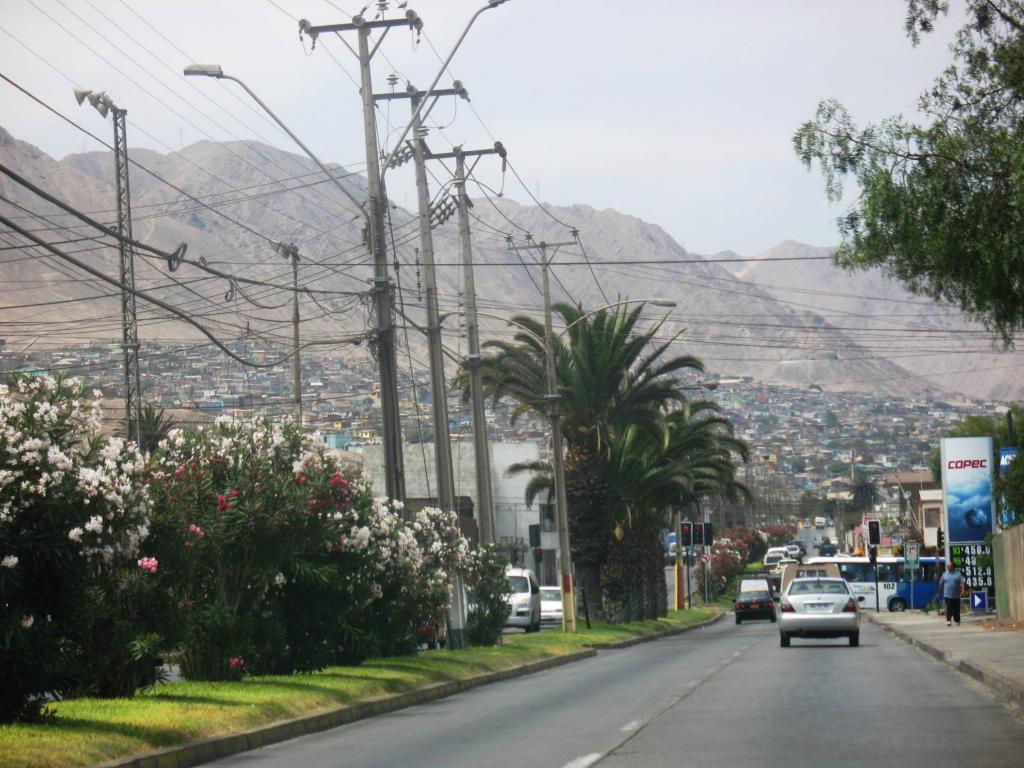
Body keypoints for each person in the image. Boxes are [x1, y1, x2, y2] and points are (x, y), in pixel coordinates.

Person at [936, 561, 964, 626]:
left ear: (953, 567)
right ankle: (948, 620)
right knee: (948, 608)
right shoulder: (944, 574)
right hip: (947, 595)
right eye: (947, 566)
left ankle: (957, 620)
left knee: (956, 609)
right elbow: (940, 584)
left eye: (950, 566)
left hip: (956, 595)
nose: (948, 567)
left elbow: (962, 583)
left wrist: (963, 590)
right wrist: (938, 593)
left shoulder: (958, 574)